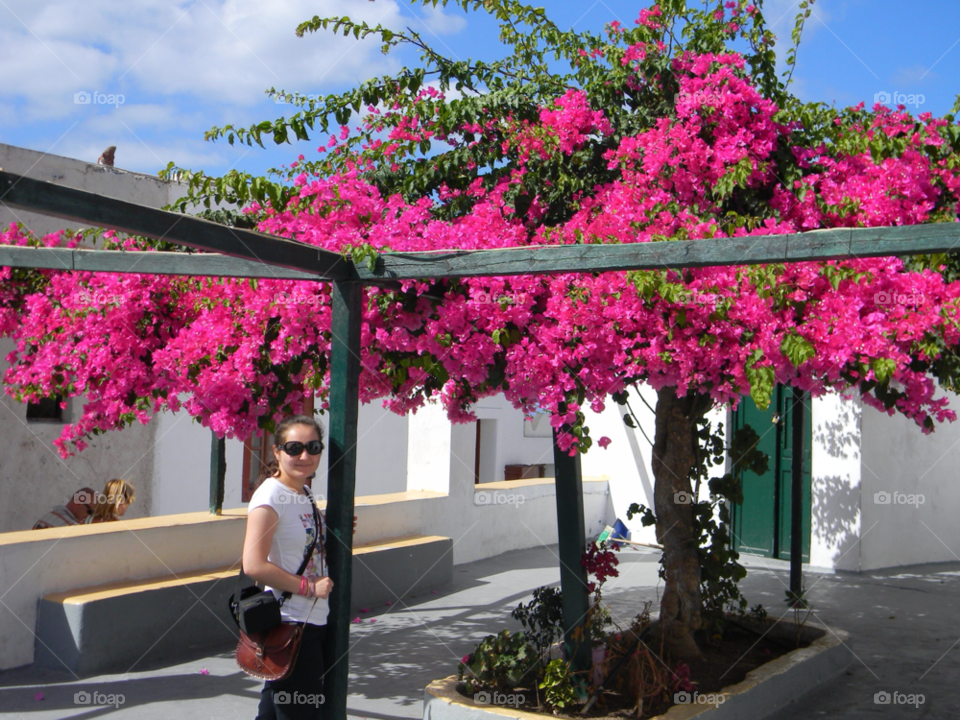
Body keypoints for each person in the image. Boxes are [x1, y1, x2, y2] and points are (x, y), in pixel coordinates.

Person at [243, 415, 332, 720]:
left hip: (312, 621)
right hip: (291, 625)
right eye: (294, 448)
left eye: (313, 447)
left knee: (272, 713)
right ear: (277, 452)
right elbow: (253, 563)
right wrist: (308, 587)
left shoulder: (304, 494)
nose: (304, 456)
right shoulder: (270, 496)